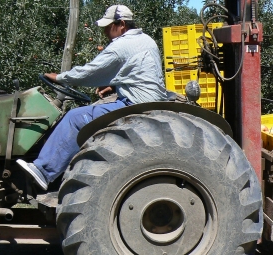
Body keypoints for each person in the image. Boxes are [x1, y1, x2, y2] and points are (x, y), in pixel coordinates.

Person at [17, 4, 167, 190]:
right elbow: (139, 73)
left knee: (74, 118)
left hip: (134, 105)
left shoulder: (121, 46)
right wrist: (113, 84)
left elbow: (90, 72)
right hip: (147, 102)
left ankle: (44, 170)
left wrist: (61, 78)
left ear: (121, 24)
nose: (104, 31)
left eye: (107, 26)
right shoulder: (146, 40)